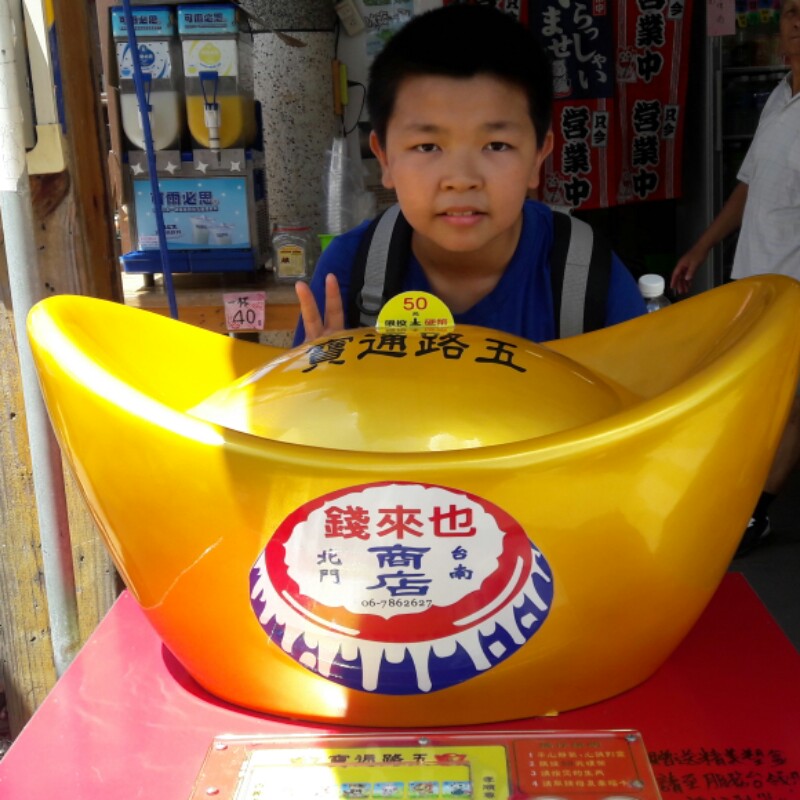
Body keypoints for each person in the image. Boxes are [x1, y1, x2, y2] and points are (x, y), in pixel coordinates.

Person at [293, 4, 645, 347]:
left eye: (496, 145)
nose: (461, 179)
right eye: (428, 146)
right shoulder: (348, 271)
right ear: (384, 158)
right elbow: (306, 385)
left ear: (538, 156)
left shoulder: (587, 274)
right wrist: (322, 375)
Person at [670, 0, 800, 557]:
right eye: (791, 13)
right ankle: (734, 496)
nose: (796, 24)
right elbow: (749, 185)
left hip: (794, 292)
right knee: (753, 396)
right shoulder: (780, 95)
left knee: (790, 403)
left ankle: (756, 514)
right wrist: (702, 247)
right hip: (754, 282)